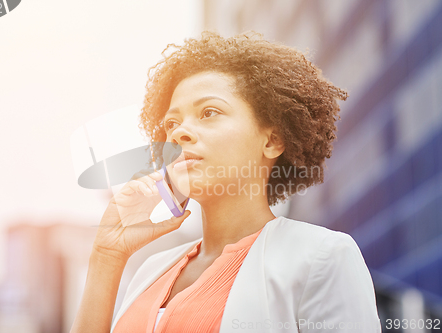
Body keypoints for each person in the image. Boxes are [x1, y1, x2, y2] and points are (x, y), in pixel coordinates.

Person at [70, 31, 382, 333]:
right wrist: (107, 256)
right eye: (171, 123)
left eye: (209, 112)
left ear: (272, 140)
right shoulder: (150, 272)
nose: (178, 133)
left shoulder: (322, 257)